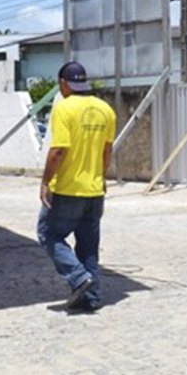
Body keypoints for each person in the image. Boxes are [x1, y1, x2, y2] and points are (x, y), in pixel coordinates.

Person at [37, 61, 116, 312]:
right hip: (94, 191)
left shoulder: (64, 108)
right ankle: (90, 298)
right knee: (88, 246)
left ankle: (79, 278)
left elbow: (58, 151)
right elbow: (107, 149)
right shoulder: (106, 109)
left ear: (63, 83)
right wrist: (101, 177)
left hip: (68, 190)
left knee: (48, 234)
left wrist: (45, 181)